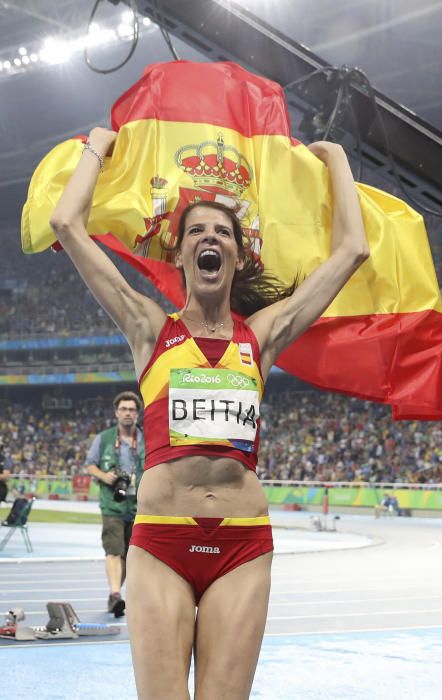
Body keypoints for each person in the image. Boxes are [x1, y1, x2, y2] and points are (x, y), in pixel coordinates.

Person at [50, 126, 369, 699]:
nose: (209, 236)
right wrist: (96, 146)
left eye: (222, 231)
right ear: (180, 253)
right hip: (161, 543)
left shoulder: (263, 336)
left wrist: (338, 159)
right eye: (196, 230)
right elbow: (66, 225)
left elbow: (353, 251)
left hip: (243, 545)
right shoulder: (149, 328)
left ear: (237, 254)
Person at [85, 391, 145, 618]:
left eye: (132, 409)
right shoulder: (104, 438)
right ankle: (115, 594)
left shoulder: (146, 440)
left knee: (130, 556)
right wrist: (104, 476)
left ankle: (115, 594)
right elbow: (90, 465)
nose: (127, 413)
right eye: (124, 409)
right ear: (116, 412)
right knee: (113, 550)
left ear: (137, 414)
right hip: (112, 503)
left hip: (139, 504)